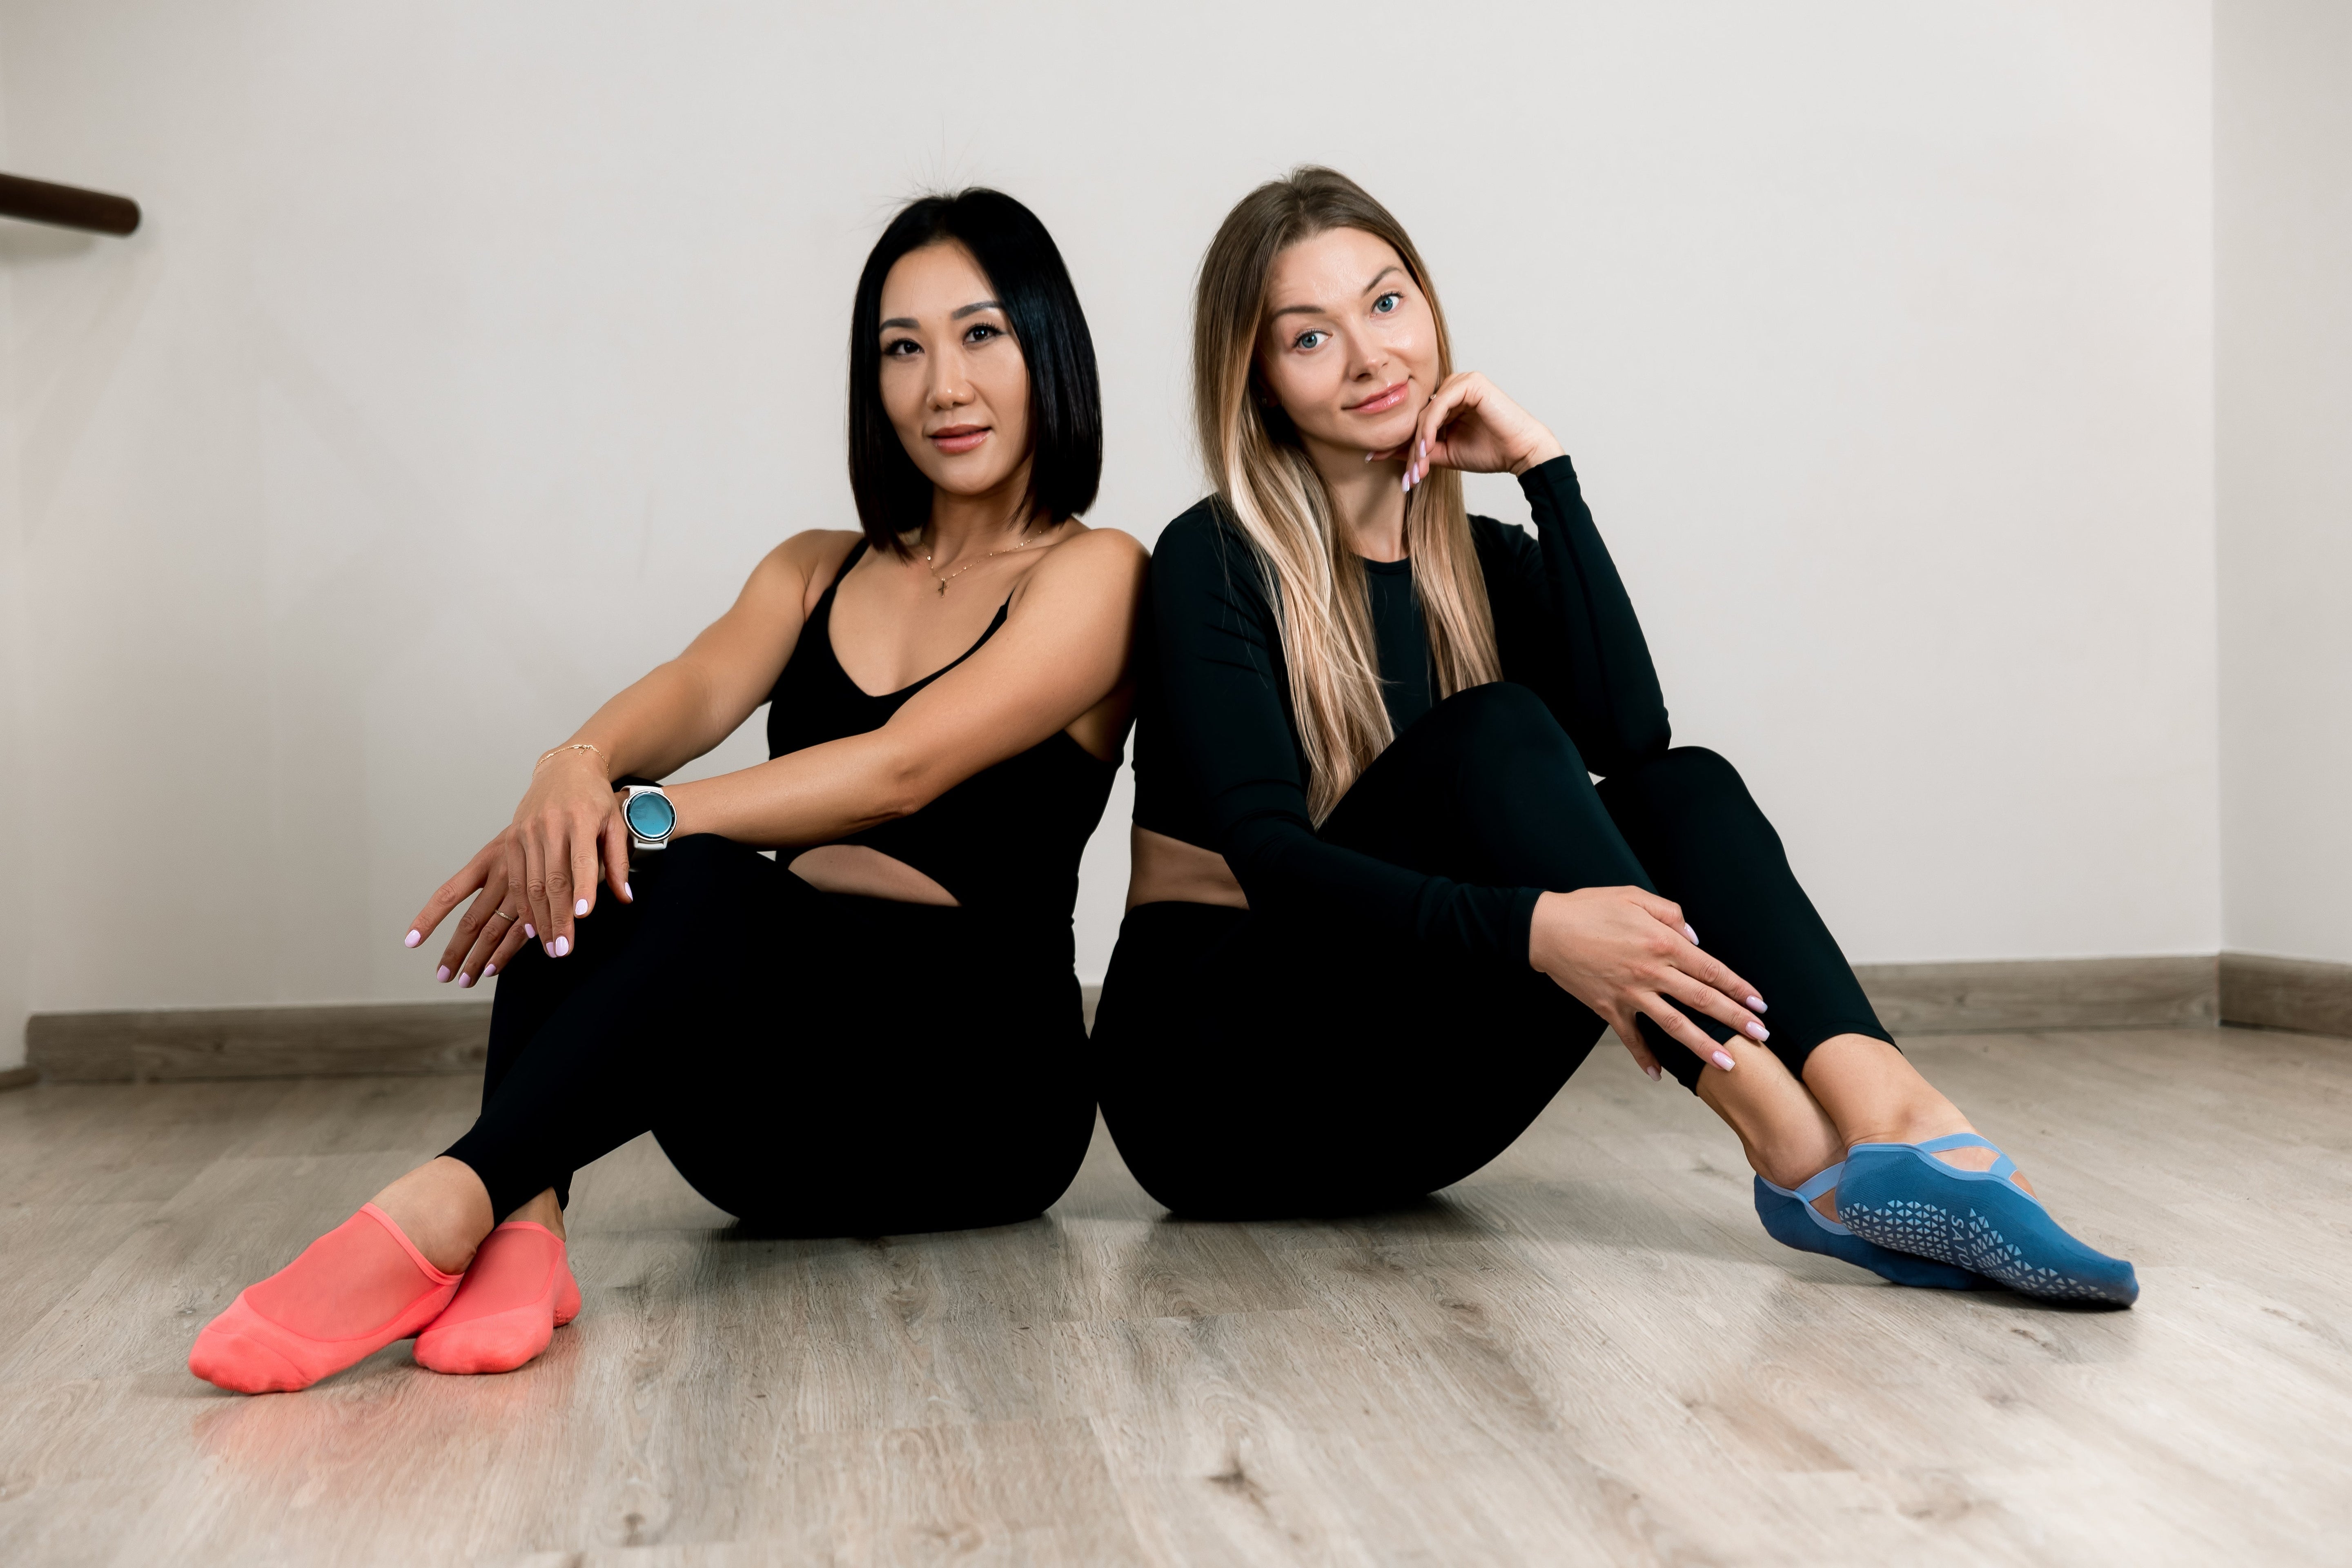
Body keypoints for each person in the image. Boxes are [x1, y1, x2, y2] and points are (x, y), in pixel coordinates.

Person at [1093, 167, 2135, 1307]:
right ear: (1256, 378)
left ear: (1431, 309)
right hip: (1223, 1094)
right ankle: (1795, 1149)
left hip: (1416, 1114)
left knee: (1684, 788)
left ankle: (1893, 1113)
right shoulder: (1216, 558)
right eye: (1310, 336)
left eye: (1388, 305)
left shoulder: (1481, 566)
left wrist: (1547, 472)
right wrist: (1542, 931)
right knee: (1493, 729)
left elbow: (1637, 737)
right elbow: (1274, 861)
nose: (1370, 355)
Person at [190, 189, 1149, 1394]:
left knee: (659, 856)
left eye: (981, 335)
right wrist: (568, 774)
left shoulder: (1099, 572)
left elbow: (900, 772)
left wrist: (637, 815)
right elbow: (694, 688)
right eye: (902, 349)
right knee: (590, 857)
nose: (942, 385)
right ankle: (527, 1223)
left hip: (979, 1102)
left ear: (1046, 346)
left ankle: (453, 1201)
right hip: (763, 1122)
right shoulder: (814, 569)